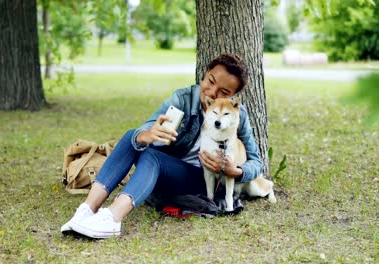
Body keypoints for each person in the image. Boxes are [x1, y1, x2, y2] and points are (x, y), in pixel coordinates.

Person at [61, 53, 264, 239]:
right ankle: (87, 209)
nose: (211, 91)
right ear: (205, 75)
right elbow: (148, 126)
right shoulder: (183, 99)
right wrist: (148, 134)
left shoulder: (239, 115)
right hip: (166, 172)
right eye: (210, 81)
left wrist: (235, 171)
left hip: (203, 180)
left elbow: (256, 161)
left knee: (152, 156)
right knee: (135, 135)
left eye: (223, 92)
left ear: (231, 97)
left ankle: (113, 218)